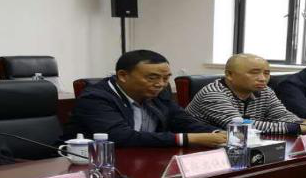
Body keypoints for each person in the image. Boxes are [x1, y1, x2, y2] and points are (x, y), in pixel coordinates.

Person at [64, 50, 225, 148]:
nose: (160, 84)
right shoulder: (95, 98)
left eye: (166, 78)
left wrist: (217, 133)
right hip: (89, 163)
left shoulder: (159, 92)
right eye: (152, 78)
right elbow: (120, 137)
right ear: (123, 76)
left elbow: (182, 120)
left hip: (144, 157)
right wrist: (188, 139)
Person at [185, 53, 306, 135]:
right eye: (254, 73)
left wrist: (300, 122)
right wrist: (297, 127)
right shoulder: (213, 93)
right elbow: (240, 126)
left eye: (266, 73)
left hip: (244, 144)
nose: (262, 78)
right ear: (229, 74)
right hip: (201, 151)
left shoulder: (264, 90)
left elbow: (281, 115)